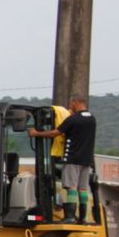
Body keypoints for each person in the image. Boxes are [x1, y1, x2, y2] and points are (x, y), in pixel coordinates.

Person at [29, 95, 96, 223]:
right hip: (86, 160)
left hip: (73, 158)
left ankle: (70, 217)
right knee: (82, 189)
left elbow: (55, 133)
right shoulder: (92, 119)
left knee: (71, 187)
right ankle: (83, 218)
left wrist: (36, 133)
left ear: (75, 103)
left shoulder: (73, 119)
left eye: (71, 104)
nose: (70, 107)